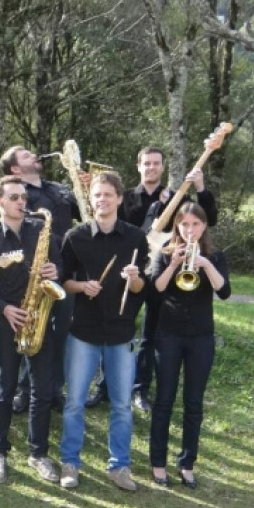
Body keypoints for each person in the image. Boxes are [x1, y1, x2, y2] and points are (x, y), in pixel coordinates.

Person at [89, 147, 218, 412]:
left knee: (150, 335)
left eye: (156, 163)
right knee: (114, 330)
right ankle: (105, 386)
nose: (151, 168)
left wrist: (201, 188)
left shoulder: (177, 198)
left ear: (162, 167)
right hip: (128, 273)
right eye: (146, 163)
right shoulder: (125, 198)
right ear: (138, 166)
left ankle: (140, 390)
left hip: (162, 275)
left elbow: (208, 219)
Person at [58, 171, 148, 491]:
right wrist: (82, 286)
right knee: (75, 402)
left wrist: (134, 277)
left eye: (108, 194)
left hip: (122, 333)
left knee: (122, 405)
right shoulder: (76, 237)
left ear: (120, 199)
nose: (102, 200)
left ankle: (119, 467)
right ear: (90, 198)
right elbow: (62, 281)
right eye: (97, 194)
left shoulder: (136, 239)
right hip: (83, 331)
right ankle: (70, 463)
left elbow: (142, 288)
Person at [0, 176, 63, 485]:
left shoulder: (41, 231)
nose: (21, 202)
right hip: (9, 317)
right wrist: (4, 308)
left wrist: (56, 271)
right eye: (14, 197)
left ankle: (38, 453)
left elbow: (60, 267)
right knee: (5, 387)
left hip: (40, 316)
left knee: (42, 391)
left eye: (23, 196)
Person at [147, 203, 230, 489]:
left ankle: (187, 463)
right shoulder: (165, 253)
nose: (190, 229)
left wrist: (205, 265)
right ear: (177, 226)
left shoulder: (215, 256)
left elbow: (225, 292)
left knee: (193, 404)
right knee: (164, 401)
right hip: (168, 335)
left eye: (195, 224)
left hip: (201, 337)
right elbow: (156, 290)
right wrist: (172, 265)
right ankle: (158, 463)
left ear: (204, 226)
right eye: (184, 224)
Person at [0, 146, 81, 413]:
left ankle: (54, 388)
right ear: (15, 169)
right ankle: (26, 389)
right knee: (36, 327)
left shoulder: (58, 188)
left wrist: (83, 185)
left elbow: (84, 211)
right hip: (33, 273)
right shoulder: (19, 195)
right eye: (24, 155)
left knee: (62, 331)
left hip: (64, 269)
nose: (33, 155)